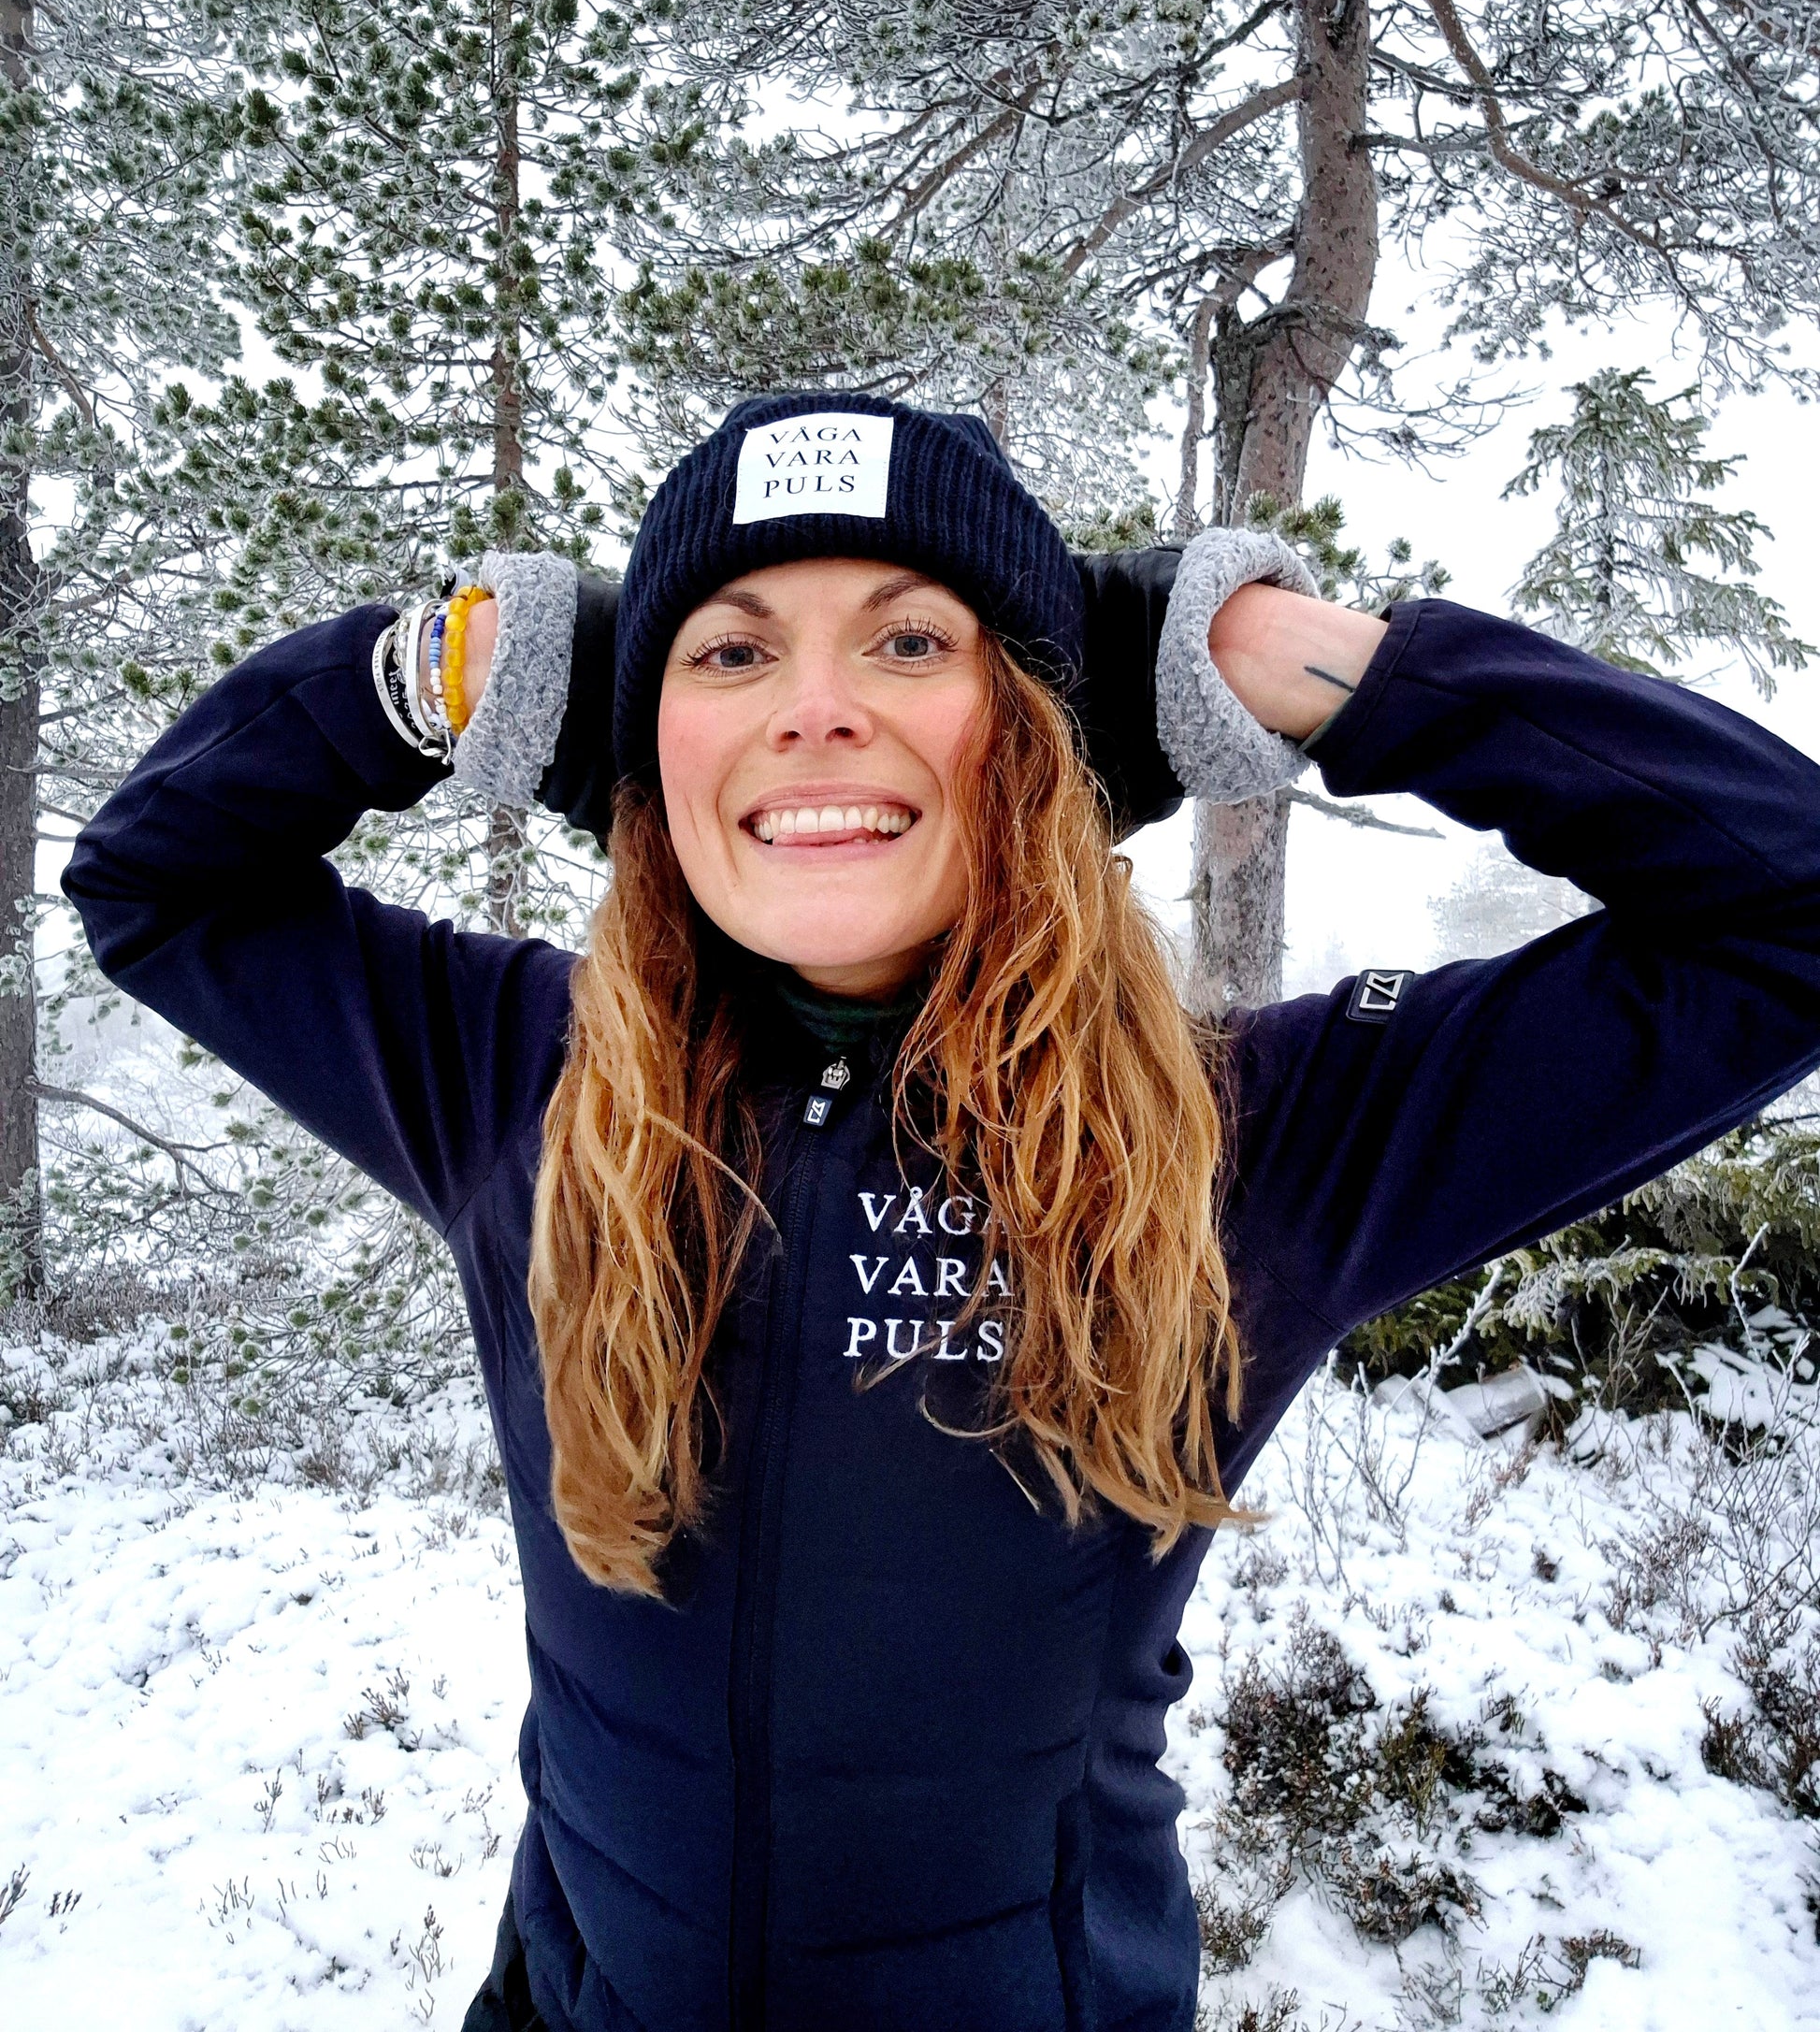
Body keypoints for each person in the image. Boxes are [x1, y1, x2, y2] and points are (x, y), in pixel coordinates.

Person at [63, 391, 1820, 2032]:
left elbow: (1780, 916)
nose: (812, 708)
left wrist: (1318, 671)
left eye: (911, 642)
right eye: (728, 652)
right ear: (635, 741)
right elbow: (156, 879)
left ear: (1042, 734)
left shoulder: (1249, 1139)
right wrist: (429, 672)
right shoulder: (521, 1080)